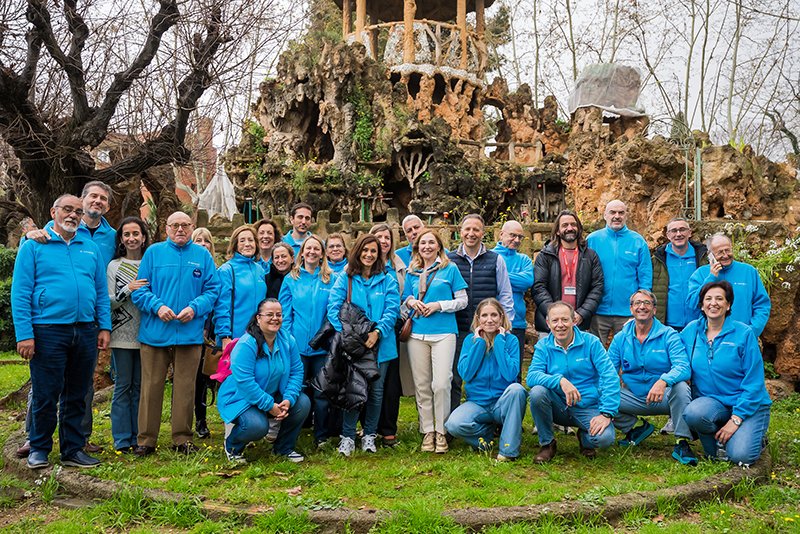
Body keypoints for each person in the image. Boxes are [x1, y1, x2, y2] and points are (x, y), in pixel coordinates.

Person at [11, 194, 111, 469]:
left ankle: (73, 450)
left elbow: (100, 292)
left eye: (78, 211)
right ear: (54, 211)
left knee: (78, 393)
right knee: (46, 392)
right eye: (67, 209)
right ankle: (39, 447)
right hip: (47, 330)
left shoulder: (89, 247)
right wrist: (24, 334)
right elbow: (20, 293)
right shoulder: (34, 246)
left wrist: (103, 326)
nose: (73, 215)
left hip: (85, 330)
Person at [131, 212, 220, 456]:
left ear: (192, 227)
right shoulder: (153, 253)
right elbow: (139, 291)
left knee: (185, 386)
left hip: (189, 333)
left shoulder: (202, 255)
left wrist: (195, 308)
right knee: (151, 386)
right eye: (174, 225)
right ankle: (146, 440)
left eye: (184, 225)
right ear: (166, 228)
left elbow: (213, 290)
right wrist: (157, 306)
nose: (180, 229)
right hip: (155, 332)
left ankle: (182, 438)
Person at [681, 281, 772, 464]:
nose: (713, 303)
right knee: (693, 413)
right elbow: (668, 347)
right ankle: (721, 442)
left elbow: (754, 382)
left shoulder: (743, 333)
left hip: (747, 404)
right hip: (713, 403)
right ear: (702, 305)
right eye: (708, 299)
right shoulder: (691, 331)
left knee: (740, 456)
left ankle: (752, 435)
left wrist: (736, 419)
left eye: (719, 299)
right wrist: (635, 325)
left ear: (728, 304)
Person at [327, 234, 400, 456]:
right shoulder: (346, 278)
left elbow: (392, 309)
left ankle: (370, 434)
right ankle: (348, 436)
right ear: (358, 251)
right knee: (354, 390)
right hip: (354, 346)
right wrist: (349, 337)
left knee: (377, 392)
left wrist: (378, 332)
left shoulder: (388, 279)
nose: (369, 255)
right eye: (365, 250)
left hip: (381, 345)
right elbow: (333, 307)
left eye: (373, 251)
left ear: (379, 255)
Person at [607, 290, 696, 465]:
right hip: (633, 396)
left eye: (647, 303)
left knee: (681, 388)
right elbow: (607, 370)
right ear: (631, 309)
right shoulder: (620, 338)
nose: (642, 306)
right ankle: (635, 428)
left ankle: (682, 442)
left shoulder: (669, 335)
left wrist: (663, 381)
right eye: (637, 303)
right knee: (597, 391)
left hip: (664, 397)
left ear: (654, 309)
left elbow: (683, 367)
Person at [217, 299, 310, 464]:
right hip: (241, 398)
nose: (275, 318)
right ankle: (232, 446)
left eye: (279, 315)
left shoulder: (288, 340)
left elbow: (297, 371)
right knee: (257, 426)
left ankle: (283, 448)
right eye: (269, 314)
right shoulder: (247, 344)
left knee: (302, 403)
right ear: (258, 318)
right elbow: (245, 382)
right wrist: (270, 406)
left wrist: (288, 399)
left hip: (273, 395)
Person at [527, 301, 620, 462]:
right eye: (555, 321)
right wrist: (560, 381)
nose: (560, 325)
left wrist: (606, 413)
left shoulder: (591, 342)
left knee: (605, 439)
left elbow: (610, 376)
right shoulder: (543, 345)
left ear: (573, 321)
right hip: (558, 405)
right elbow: (532, 376)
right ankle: (547, 443)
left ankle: (585, 437)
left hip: (587, 406)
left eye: (565, 320)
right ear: (548, 323)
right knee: (537, 392)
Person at [403, 228, 468, 453]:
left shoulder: (449, 269)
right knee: (422, 385)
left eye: (431, 243)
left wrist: (439, 305)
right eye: (423, 243)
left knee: (441, 383)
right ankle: (427, 430)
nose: (427, 247)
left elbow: (462, 301)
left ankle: (442, 430)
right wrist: (411, 302)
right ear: (417, 247)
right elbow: (404, 299)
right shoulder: (412, 271)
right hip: (417, 334)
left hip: (444, 332)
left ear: (439, 246)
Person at [447, 214, 514, 414]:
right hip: (457, 327)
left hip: (489, 329)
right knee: (454, 377)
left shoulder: (496, 260)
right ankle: (452, 421)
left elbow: (505, 295)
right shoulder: (449, 260)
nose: (471, 234)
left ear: (483, 233)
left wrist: (504, 326)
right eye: (467, 229)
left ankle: (496, 418)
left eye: (476, 229)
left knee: (492, 373)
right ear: (460, 232)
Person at [444, 298, 526, 461]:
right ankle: (485, 440)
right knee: (453, 424)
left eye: (494, 315)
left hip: (502, 403)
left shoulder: (511, 340)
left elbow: (510, 374)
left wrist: (500, 342)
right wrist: (480, 343)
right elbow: (466, 374)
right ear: (478, 319)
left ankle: (508, 451)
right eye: (485, 315)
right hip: (478, 404)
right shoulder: (470, 341)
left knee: (517, 390)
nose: (490, 320)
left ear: (501, 317)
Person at [279, 234, 335, 447]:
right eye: (308, 249)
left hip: (323, 348)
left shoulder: (331, 279)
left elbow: (334, 313)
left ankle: (321, 436)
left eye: (316, 249)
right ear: (302, 253)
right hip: (298, 348)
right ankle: (294, 433)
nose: (312, 252)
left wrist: (328, 340)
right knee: (297, 392)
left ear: (322, 254)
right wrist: (288, 342)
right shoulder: (291, 279)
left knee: (321, 395)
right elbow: (285, 314)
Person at [107, 217, 150, 453]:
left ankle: (138, 436)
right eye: (126, 235)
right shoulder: (114, 266)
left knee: (141, 386)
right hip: (121, 335)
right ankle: (122, 438)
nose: (132, 238)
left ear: (143, 237)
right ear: (121, 239)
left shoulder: (151, 262)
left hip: (148, 335)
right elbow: (108, 302)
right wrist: (127, 289)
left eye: (136, 233)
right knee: (123, 385)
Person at [586, 200, 652, 346]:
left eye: (621, 213)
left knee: (626, 352)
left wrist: (641, 305)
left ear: (626, 215)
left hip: (627, 311)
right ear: (604, 215)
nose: (617, 216)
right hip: (598, 310)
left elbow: (645, 276)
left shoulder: (637, 241)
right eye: (613, 212)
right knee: (596, 353)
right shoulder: (592, 240)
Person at [533, 210, 603, 336]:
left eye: (573, 224)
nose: (570, 228)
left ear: (579, 228)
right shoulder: (545, 256)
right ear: (558, 231)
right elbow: (538, 288)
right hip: (551, 324)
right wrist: (555, 314)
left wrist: (582, 313)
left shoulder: (591, 256)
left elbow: (597, 287)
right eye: (565, 225)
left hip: (579, 323)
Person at [686, 233, 771, 337]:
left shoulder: (749, 271)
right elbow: (692, 305)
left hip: (743, 336)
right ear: (710, 255)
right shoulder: (701, 274)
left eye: (728, 250)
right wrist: (711, 278)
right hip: (710, 338)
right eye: (720, 252)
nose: (725, 255)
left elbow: (762, 305)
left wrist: (752, 330)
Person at [370, 223, 408, 447]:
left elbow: (406, 294)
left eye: (387, 237)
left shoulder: (399, 265)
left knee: (390, 380)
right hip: (366, 327)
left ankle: (388, 429)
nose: (383, 241)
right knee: (369, 377)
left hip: (392, 325)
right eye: (379, 237)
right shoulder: (363, 263)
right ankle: (368, 427)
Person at [215, 225, 268, 349]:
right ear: (235, 245)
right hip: (235, 338)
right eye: (242, 240)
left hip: (259, 336)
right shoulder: (227, 270)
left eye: (251, 240)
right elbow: (222, 306)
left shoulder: (260, 270)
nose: (247, 244)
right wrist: (224, 336)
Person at [652, 218, 708, 331]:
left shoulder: (703, 257)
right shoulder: (658, 259)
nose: (678, 234)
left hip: (699, 320)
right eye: (674, 231)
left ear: (690, 232)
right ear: (668, 235)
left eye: (682, 229)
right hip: (668, 323)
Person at [493, 220, 534, 375]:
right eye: (512, 235)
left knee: (514, 366)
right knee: (494, 367)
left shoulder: (523, 259)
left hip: (516, 321)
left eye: (520, 237)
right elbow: (488, 280)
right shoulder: (490, 256)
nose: (516, 240)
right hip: (492, 320)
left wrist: (499, 275)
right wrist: (513, 279)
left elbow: (527, 282)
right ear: (501, 234)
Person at [191, 227, 218, 439]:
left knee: (208, 376)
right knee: (196, 378)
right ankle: (200, 419)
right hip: (193, 328)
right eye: (198, 240)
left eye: (206, 240)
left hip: (214, 330)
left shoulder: (217, 270)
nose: (202, 244)